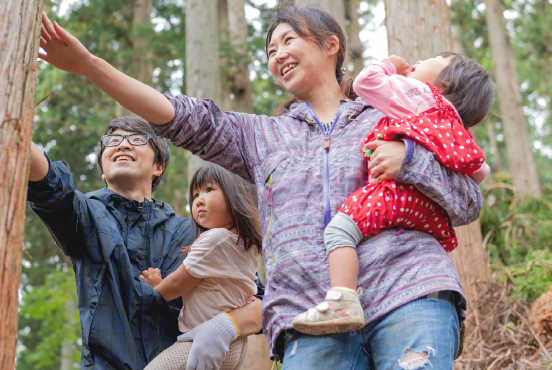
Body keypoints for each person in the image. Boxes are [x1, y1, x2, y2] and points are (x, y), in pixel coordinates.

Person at [37, 3, 483, 367]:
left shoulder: (390, 114)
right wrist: (88, 66)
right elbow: (177, 115)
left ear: (332, 45)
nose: (278, 54)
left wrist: (410, 161)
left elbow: (467, 200)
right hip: (308, 315)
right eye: (270, 49)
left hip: (408, 289)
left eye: (289, 39)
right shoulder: (261, 136)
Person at [27, 116, 264, 370]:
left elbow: (260, 300)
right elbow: (49, 186)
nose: (123, 144)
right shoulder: (84, 216)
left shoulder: (196, 233)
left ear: (158, 166)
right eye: (113, 140)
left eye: (137, 139)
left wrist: (224, 326)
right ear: (103, 172)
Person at [291, 53, 495, 335]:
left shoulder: (420, 94)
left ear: (444, 83)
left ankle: (342, 299)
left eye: (432, 58)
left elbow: (366, 82)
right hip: (428, 215)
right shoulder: (455, 124)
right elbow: (479, 172)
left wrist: (388, 65)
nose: (418, 62)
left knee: (338, 232)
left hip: (395, 195)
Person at [140, 163, 262, 370]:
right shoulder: (242, 242)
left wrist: (156, 288)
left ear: (235, 195)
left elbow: (177, 284)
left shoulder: (214, 240)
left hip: (207, 340)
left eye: (209, 190)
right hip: (233, 340)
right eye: (195, 195)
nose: (198, 200)